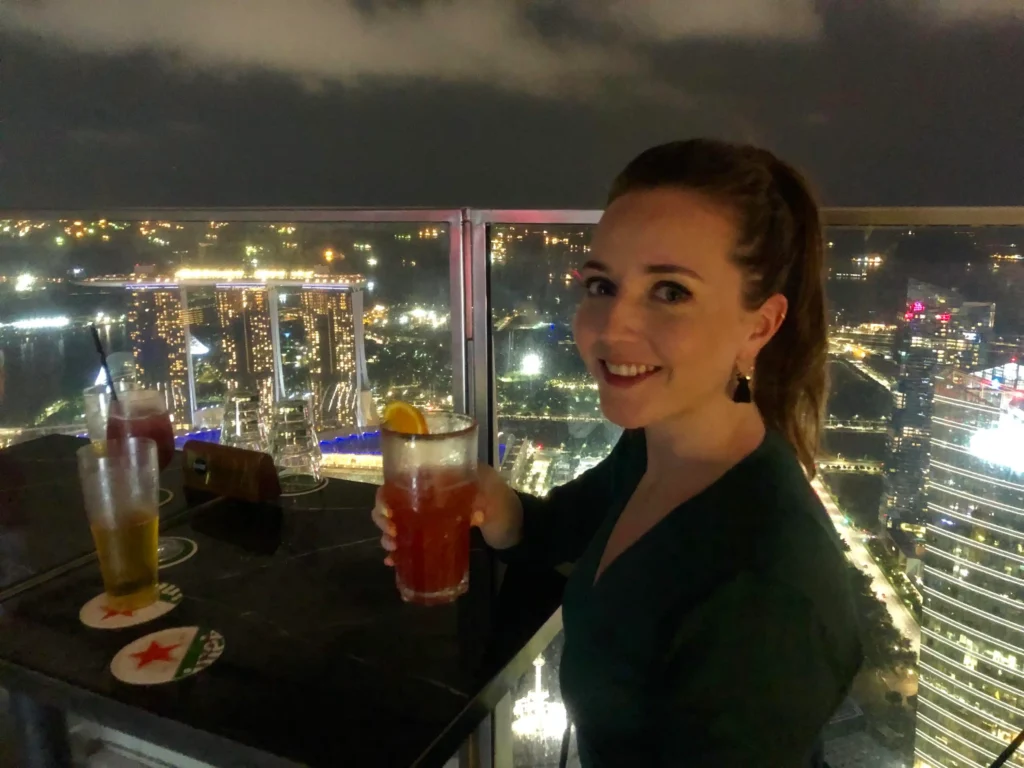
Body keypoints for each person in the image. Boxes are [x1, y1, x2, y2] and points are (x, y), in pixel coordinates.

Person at [373, 139, 863, 766]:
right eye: (601, 284)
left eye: (670, 292)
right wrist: (492, 505)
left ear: (759, 326)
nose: (611, 328)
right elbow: (558, 530)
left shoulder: (767, 592)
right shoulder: (655, 447)